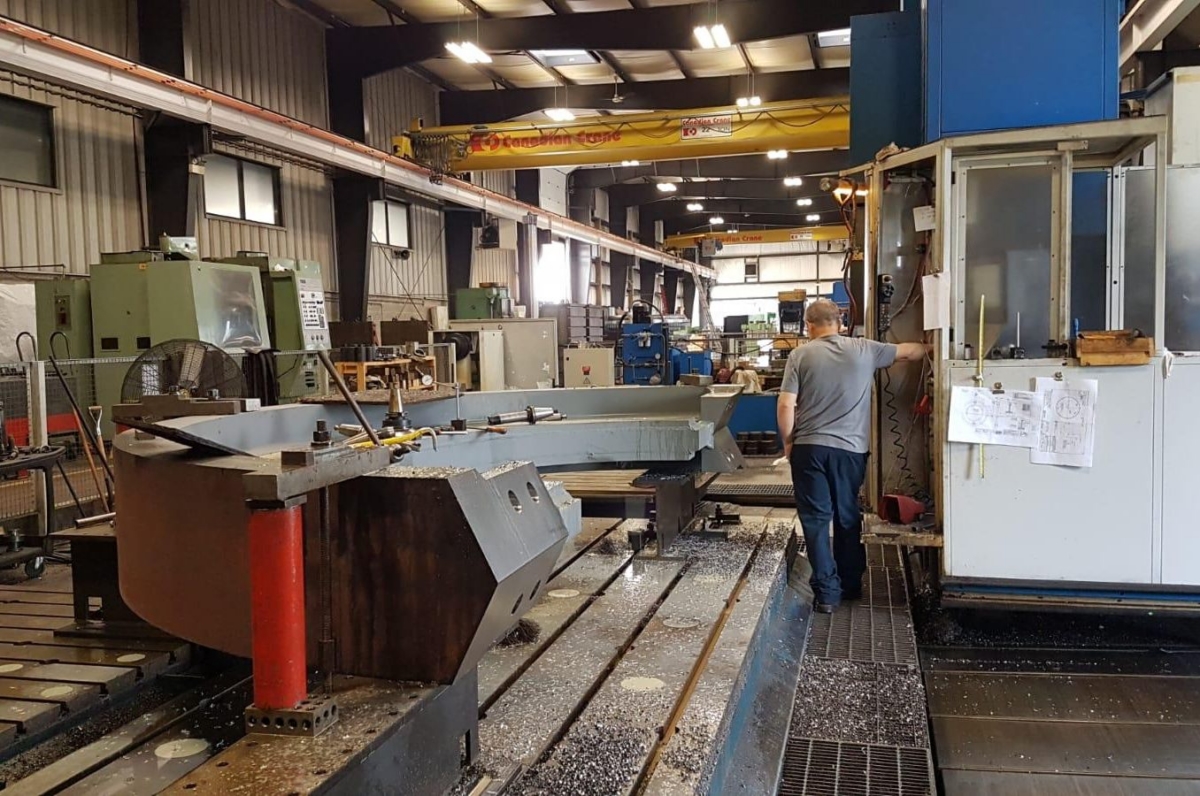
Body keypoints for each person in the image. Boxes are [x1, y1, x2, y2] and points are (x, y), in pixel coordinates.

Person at [777, 299, 928, 613]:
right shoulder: (865, 349)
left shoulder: (799, 355)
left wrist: (789, 443)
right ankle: (850, 585)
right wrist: (933, 346)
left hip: (810, 449)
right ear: (840, 323)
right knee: (846, 515)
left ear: (808, 325)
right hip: (850, 451)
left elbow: (786, 404)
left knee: (816, 520)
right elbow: (909, 352)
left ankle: (827, 595)